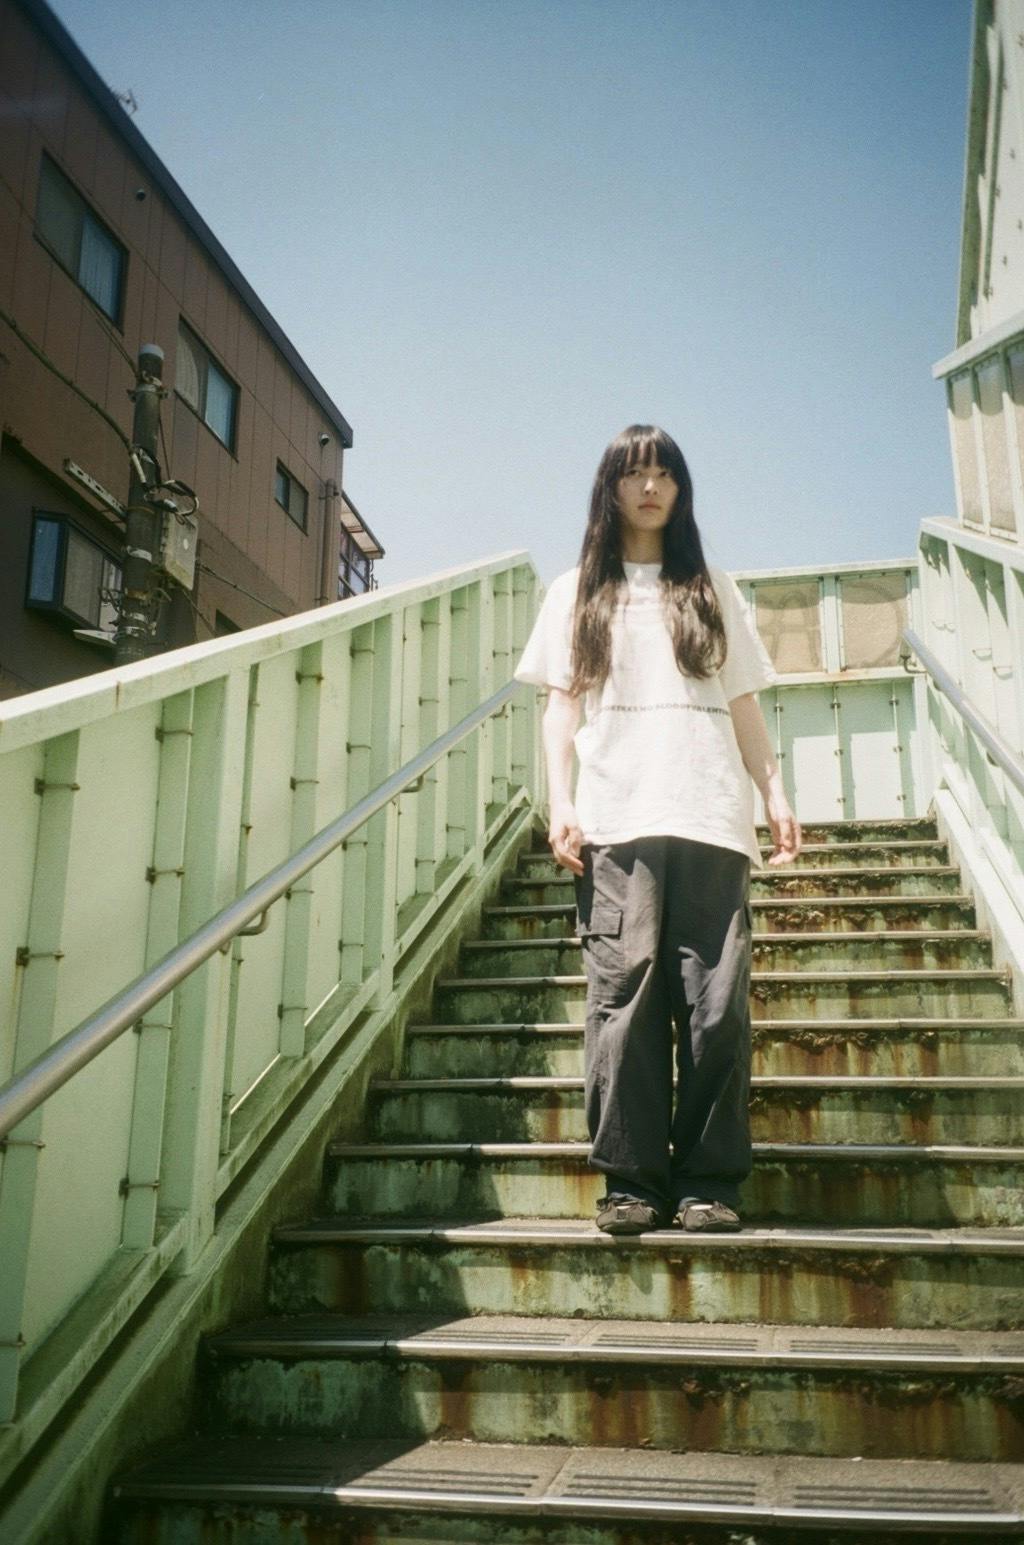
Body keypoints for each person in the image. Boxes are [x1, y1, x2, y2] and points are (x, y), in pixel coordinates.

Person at [512, 424, 801, 1236]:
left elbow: (742, 701)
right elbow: (561, 706)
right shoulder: (576, 591)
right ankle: (631, 1181)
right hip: (617, 817)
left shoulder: (710, 586)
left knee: (716, 1006)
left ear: (680, 488)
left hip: (710, 815)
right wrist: (561, 801)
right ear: (610, 487)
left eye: (663, 473)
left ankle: (708, 1180)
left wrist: (774, 791)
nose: (649, 487)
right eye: (634, 473)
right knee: (624, 998)